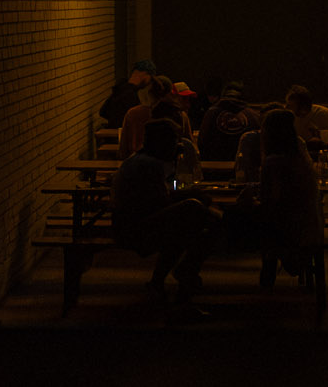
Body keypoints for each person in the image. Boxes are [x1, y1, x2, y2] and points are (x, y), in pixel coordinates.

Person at [110, 119, 219, 311]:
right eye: (173, 142)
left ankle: (167, 281)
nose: (176, 147)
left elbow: (160, 199)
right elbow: (161, 203)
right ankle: (185, 273)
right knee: (193, 213)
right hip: (136, 230)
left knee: (191, 225)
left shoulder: (139, 160)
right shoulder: (148, 165)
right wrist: (193, 199)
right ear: (161, 143)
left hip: (131, 224)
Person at [255, 108, 325, 287]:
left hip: (287, 233)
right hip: (308, 229)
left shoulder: (273, 162)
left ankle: (269, 270)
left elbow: (269, 203)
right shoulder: (301, 160)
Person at [286, 85, 328, 237]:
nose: (289, 108)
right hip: (298, 158)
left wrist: (320, 141)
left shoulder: (323, 114)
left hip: (325, 156)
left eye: (292, 106)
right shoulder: (287, 117)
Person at [197, 82, 262, 164]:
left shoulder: (211, 113)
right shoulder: (252, 115)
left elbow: (202, 142)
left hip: (213, 167)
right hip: (245, 167)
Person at [118, 74, 174, 157]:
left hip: (137, 161)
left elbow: (123, 148)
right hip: (168, 161)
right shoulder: (177, 114)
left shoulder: (133, 114)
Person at [98, 58, 156, 131]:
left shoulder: (120, 88)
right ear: (145, 74)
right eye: (150, 78)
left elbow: (103, 111)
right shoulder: (131, 95)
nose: (149, 82)